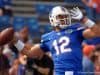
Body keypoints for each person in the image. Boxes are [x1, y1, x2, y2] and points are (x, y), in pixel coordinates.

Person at [13, 6, 100, 75]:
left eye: (65, 16)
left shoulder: (75, 30)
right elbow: (29, 53)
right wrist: (16, 41)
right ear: (52, 19)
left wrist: (84, 19)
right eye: (60, 17)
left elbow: (97, 32)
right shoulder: (48, 37)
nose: (64, 19)